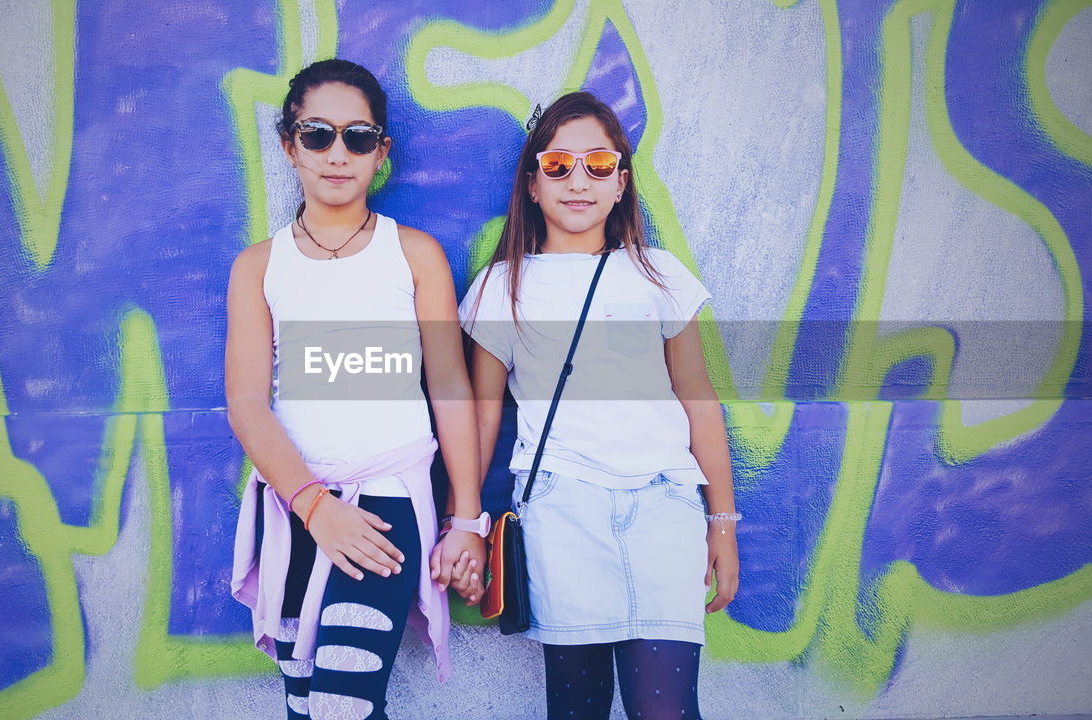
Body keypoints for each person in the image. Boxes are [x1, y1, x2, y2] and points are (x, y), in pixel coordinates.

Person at [459, 91, 740, 720]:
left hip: (666, 505)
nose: (578, 181)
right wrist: (468, 523)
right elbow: (481, 416)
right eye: (557, 166)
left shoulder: (658, 275)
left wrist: (722, 524)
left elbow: (699, 399)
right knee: (577, 708)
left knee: (666, 708)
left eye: (598, 165)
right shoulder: (504, 285)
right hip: (563, 507)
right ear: (532, 183)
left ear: (621, 182)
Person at [227, 59, 487, 720]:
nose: (337, 153)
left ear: (381, 152)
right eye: (317, 135)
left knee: (343, 704)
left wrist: (466, 520)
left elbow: (451, 390)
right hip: (293, 507)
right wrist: (315, 507)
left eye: (358, 137)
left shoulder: (416, 255)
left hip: (385, 503)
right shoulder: (259, 266)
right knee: (305, 703)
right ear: (290, 146)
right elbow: (248, 404)